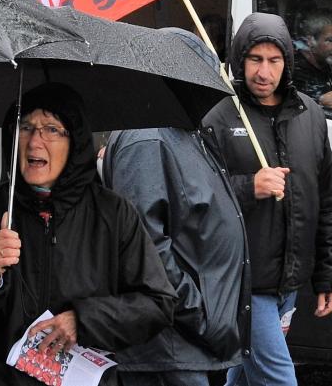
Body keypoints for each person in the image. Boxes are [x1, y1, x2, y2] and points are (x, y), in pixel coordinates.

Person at [0, 83, 177, 386]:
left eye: (52, 129)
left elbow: (158, 304)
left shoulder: (113, 214)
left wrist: (82, 320)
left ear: (76, 142)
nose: (34, 142)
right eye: (25, 127)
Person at [102, 28, 250, 386]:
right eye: (202, 73)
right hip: (170, 351)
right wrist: (201, 315)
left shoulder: (183, 131)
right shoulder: (147, 137)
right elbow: (146, 246)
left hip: (190, 348)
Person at [204, 12, 332, 386]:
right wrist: (250, 186)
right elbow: (196, 196)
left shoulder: (310, 115)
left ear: (287, 62)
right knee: (279, 379)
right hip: (243, 281)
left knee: (245, 377)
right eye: (255, 59)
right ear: (238, 59)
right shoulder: (218, 114)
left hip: (289, 283)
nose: (264, 72)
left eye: (274, 60)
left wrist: (327, 273)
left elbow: (325, 199)